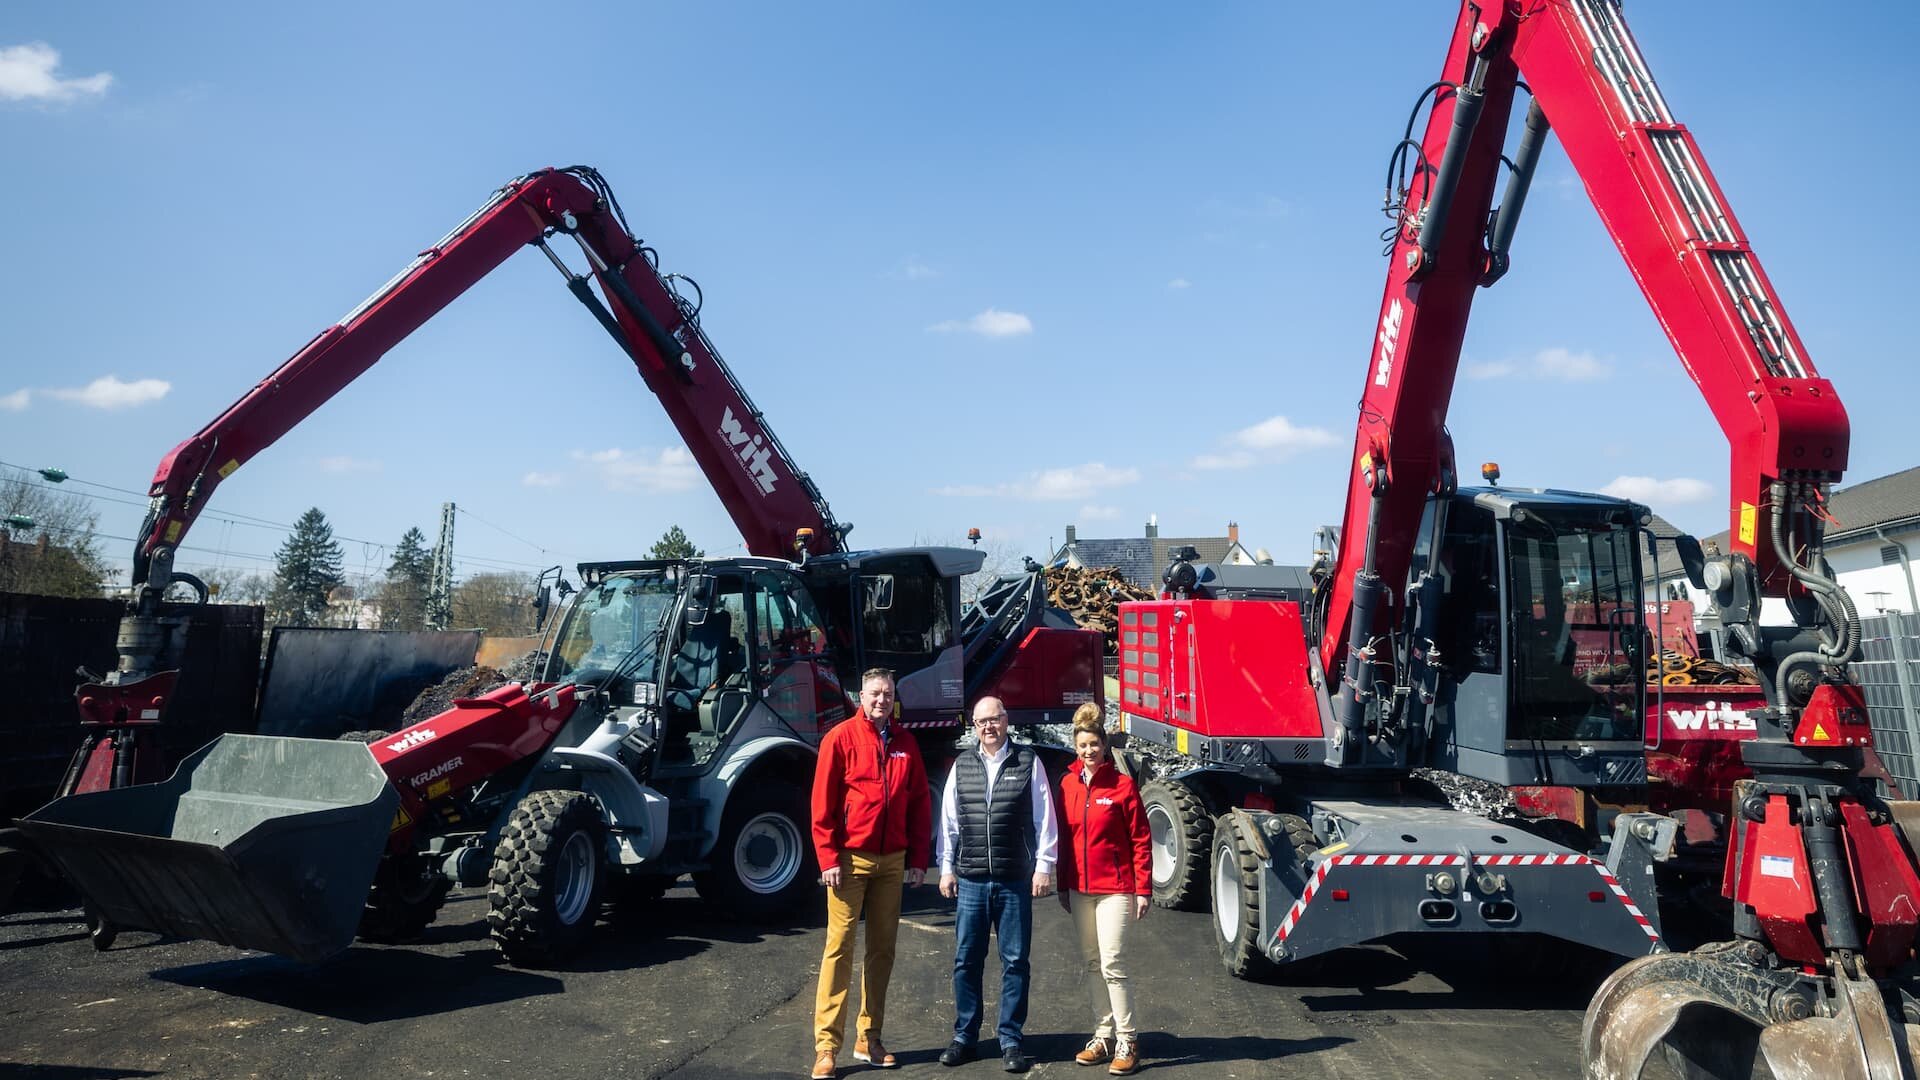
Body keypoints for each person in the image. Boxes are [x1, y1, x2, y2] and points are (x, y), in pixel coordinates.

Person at [809, 669, 931, 1080]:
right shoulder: (840, 738)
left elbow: (918, 805)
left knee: (882, 951)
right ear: (860, 695)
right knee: (839, 949)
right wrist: (828, 858)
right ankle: (827, 1046)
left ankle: (869, 1037)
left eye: (888, 694)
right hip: (849, 861)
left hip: (892, 861)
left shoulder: (906, 743)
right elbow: (822, 804)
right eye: (875, 693)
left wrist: (918, 857)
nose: (881, 700)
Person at [935, 696, 1058, 1074]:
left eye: (995, 719)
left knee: (1016, 962)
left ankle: (1010, 1040)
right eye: (982, 721)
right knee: (965, 962)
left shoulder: (1028, 762)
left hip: (1013, 881)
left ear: (1006, 721)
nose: (989, 726)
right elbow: (949, 821)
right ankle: (965, 1037)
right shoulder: (963, 765)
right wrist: (945, 868)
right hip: (970, 880)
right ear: (974, 725)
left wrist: (1043, 867)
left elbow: (1044, 819)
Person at [1055, 703, 1151, 1076]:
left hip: (1116, 890)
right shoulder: (1066, 784)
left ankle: (1128, 1039)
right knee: (1092, 963)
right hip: (1079, 889)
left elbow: (1141, 840)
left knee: (1112, 963)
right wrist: (1064, 884)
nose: (1088, 751)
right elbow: (1064, 838)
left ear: (1104, 745)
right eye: (1082, 745)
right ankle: (1103, 1034)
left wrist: (1143, 890)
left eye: (1094, 744)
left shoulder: (1123, 786)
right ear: (1075, 747)